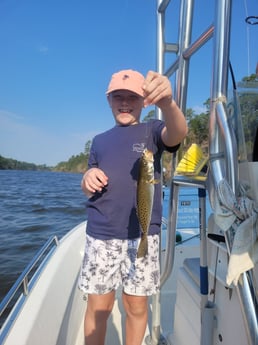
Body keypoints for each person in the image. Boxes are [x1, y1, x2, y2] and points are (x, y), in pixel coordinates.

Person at [78, 69, 188, 345]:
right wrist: (87, 177)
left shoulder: (152, 131)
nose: (125, 102)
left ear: (144, 102)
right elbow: (90, 176)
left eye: (132, 97)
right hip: (102, 232)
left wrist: (168, 104)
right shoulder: (99, 141)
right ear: (109, 100)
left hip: (142, 234)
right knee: (98, 307)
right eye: (119, 97)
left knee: (136, 306)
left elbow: (177, 133)